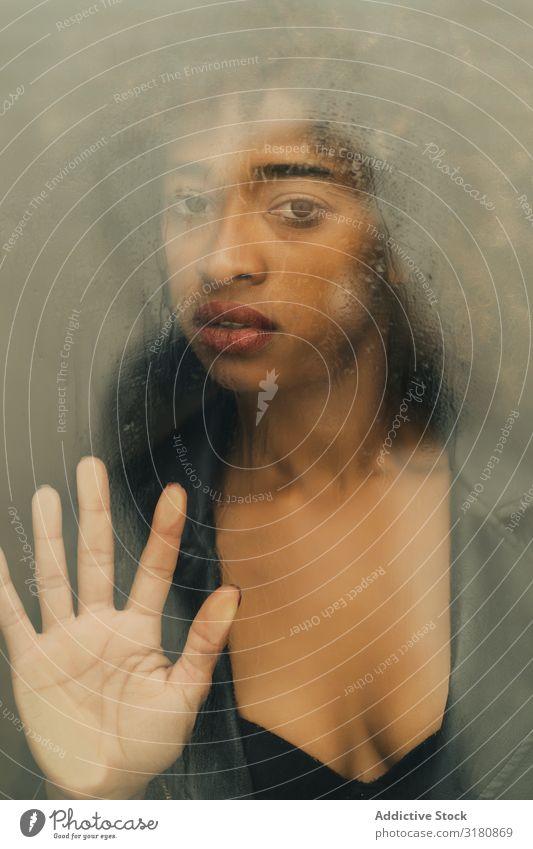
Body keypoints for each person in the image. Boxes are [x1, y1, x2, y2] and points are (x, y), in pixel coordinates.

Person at [0, 100, 531, 801]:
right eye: (189, 201)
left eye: (297, 208)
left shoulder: (510, 505)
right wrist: (94, 807)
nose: (222, 259)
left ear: (401, 236)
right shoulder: (103, 549)